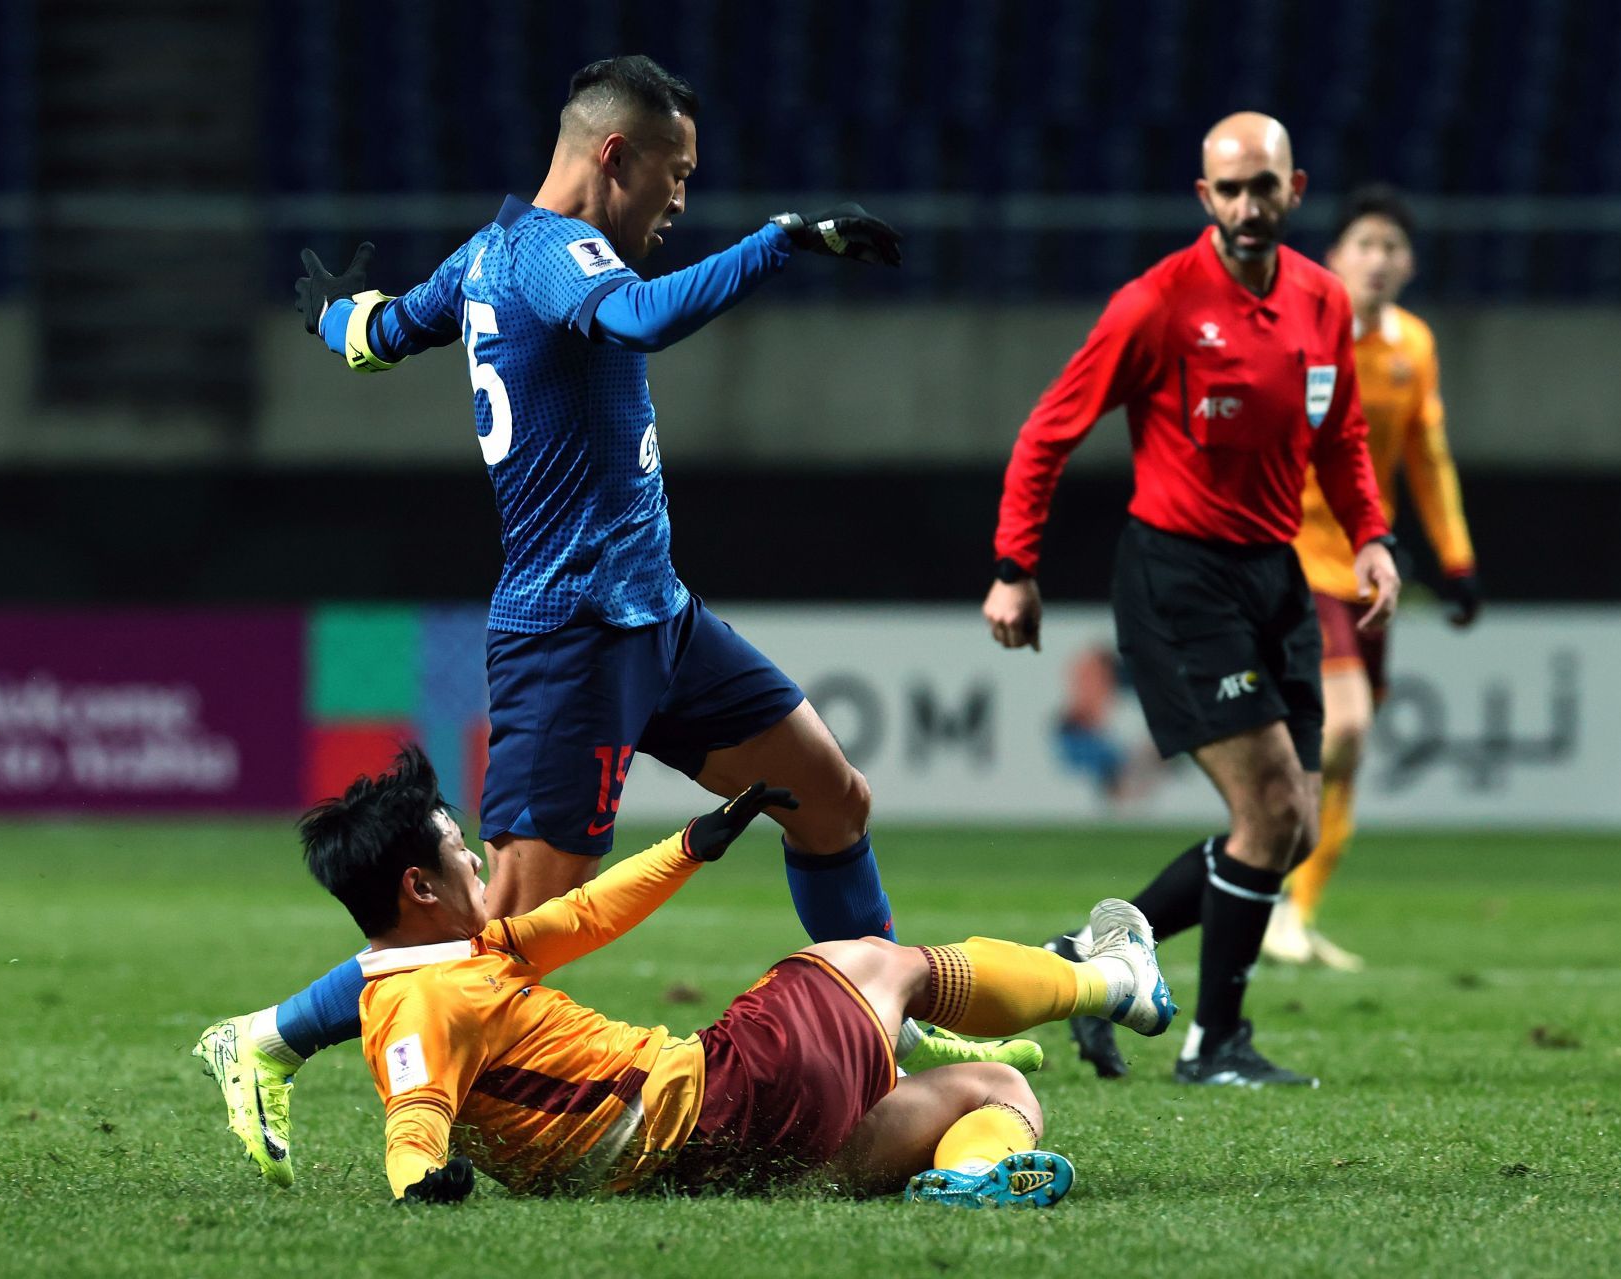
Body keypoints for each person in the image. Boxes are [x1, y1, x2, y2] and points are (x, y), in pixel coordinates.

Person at [194, 55, 1030, 1189]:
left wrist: (334, 316)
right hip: (572, 639)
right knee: (495, 939)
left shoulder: (486, 254)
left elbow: (388, 331)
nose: (682, 201)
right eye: (676, 176)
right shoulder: (553, 256)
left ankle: (889, 1024)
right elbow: (635, 319)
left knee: (829, 799)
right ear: (614, 158)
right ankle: (269, 1035)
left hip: (660, 618)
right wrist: (782, 240)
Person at [982, 113, 1400, 1086]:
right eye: (1231, 189)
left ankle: (1083, 964)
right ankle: (1215, 1044)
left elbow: (1340, 436)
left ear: (1296, 191)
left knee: (1287, 822)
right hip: (1179, 578)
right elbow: (1049, 431)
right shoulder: (1159, 304)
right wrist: (1014, 564)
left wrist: (1372, 535)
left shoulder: (1321, 300)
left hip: (1276, 574)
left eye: (1266, 186)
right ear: (1204, 199)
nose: (1250, 205)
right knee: (1265, 806)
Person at [300, 747, 1175, 1206]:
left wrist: (691, 845)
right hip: (707, 1105)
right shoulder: (417, 1000)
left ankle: (978, 1180)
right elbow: (414, 1115)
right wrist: (420, 1183)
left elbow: (588, 914)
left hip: (724, 1161)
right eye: (459, 849)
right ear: (419, 886)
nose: (478, 860)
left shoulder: (464, 956)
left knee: (995, 1084)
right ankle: (1114, 981)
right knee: (868, 958)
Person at [1263, 186, 1481, 971]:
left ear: (1410, 263)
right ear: (1335, 258)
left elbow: (1428, 456)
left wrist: (1456, 558)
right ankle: (1261, 869)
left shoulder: (1412, 346)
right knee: (1345, 726)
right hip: (1293, 556)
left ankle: (1294, 910)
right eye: (1366, 244)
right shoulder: (1300, 335)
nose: (1381, 259)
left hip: (1368, 565)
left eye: (1393, 246)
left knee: (1349, 746)